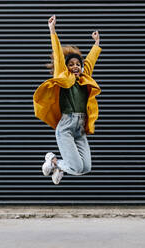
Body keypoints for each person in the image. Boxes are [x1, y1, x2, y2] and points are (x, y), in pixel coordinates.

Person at [33, 15, 102, 184]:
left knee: (86, 168)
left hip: (79, 129)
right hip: (65, 127)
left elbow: (90, 62)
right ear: (67, 67)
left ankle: (58, 167)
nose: (75, 66)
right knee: (77, 168)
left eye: (77, 64)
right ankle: (53, 160)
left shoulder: (85, 79)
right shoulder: (63, 78)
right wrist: (52, 30)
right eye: (71, 64)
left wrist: (96, 44)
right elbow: (57, 55)